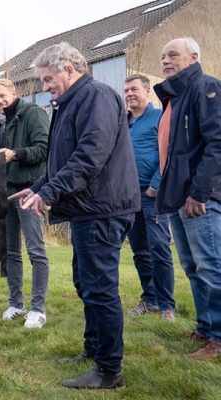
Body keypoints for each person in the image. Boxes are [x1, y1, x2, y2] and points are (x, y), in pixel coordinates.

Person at [10, 42, 140, 389]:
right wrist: (38, 186)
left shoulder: (96, 96)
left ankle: (110, 371)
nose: (45, 86)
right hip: (88, 209)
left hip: (102, 208)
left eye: (48, 78)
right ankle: (94, 350)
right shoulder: (70, 103)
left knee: (100, 289)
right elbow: (61, 159)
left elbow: (89, 156)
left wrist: (49, 193)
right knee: (86, 283)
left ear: (69, 69)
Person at [154, 37, 221, 358]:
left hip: (200, 197)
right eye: (163, 56)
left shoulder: (206, 87)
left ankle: (219, 338)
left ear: (194, 56)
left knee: (212, 266)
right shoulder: (175, 98)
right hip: (179, 197)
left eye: (173, 55)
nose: (165, 61)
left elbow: (217, 143)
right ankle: (206, 328)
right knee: (193, 267)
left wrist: (200, 192)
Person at [0, 79, 50, 328]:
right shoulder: (0, 124)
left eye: (2, 96)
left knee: (35, 251)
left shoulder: (33, 114)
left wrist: (15, 154)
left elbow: (44, 149)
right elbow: (2, 160)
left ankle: (38, 309)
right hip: (6, 193)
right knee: (10, 252)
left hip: (30, 192)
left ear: (14, 93)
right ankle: (16, 304)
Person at [123, 74, 176, 321]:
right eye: (126, 91)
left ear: (147, 91)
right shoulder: (121, 122)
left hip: (152, 195)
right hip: (128, 196)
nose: (129, 94)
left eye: (134, 89)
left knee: (159, 248)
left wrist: (154, 187)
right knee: (140, 250)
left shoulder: (159, 117)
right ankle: (150, 299)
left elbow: (168, 152)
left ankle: (167, 305)